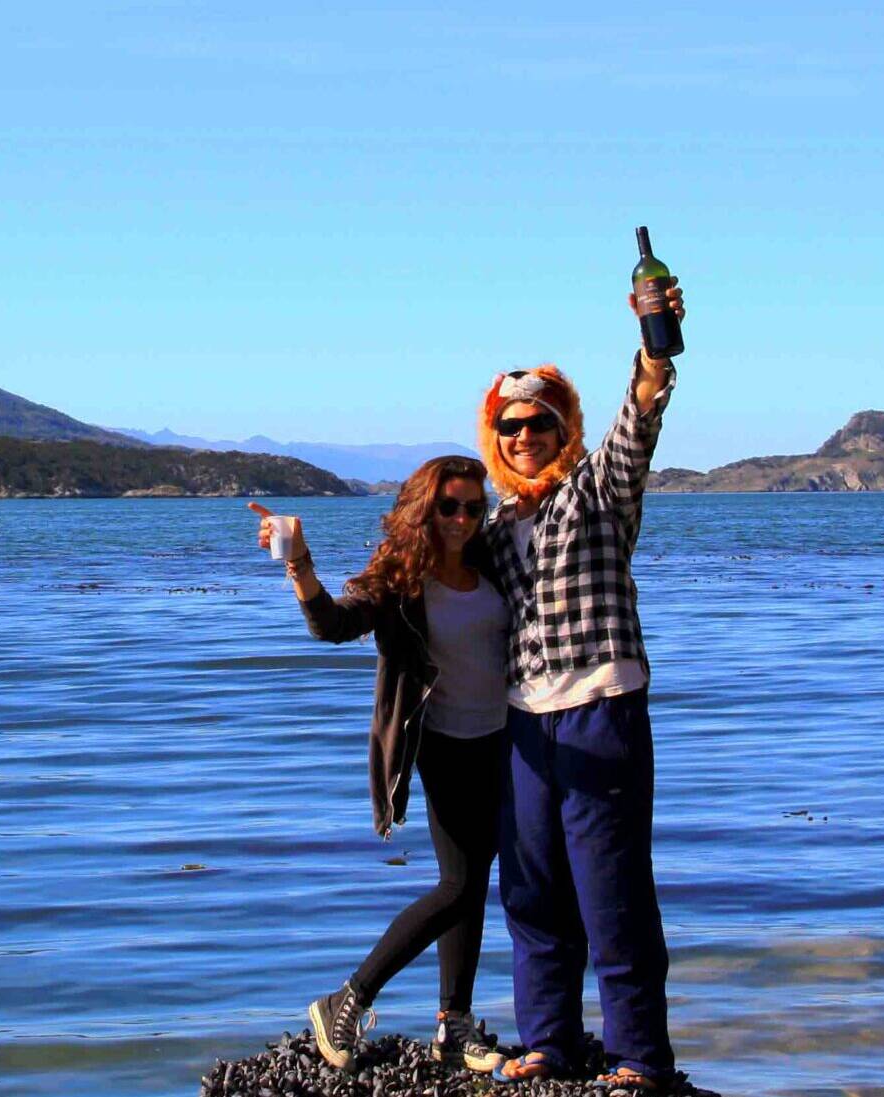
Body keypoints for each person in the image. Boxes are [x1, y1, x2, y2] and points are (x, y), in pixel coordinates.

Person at [478, 283, 715, 1095]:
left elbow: (640, 420)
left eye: (537, 421)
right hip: (523, 724)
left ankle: (640, 1057)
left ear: (563, 425)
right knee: (533, 890)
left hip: (601, 708)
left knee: (612, 892)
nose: (522, 436)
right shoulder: (494, 526)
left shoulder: (599, 490)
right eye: (508, 426)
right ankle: (547, 1039)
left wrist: (654, 348)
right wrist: (304, 572)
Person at [245, 455, 510, 1075]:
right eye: (449, 506)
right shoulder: (400, 578)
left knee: (470, 888)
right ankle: (350, 996)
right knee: (460, 886)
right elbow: (333, 624)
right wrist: (299, 564)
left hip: (503, 740)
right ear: (425, 506)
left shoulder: (493, 562)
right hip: (443, 741)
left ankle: (454, 1024)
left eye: (475, 507)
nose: (463, 518)